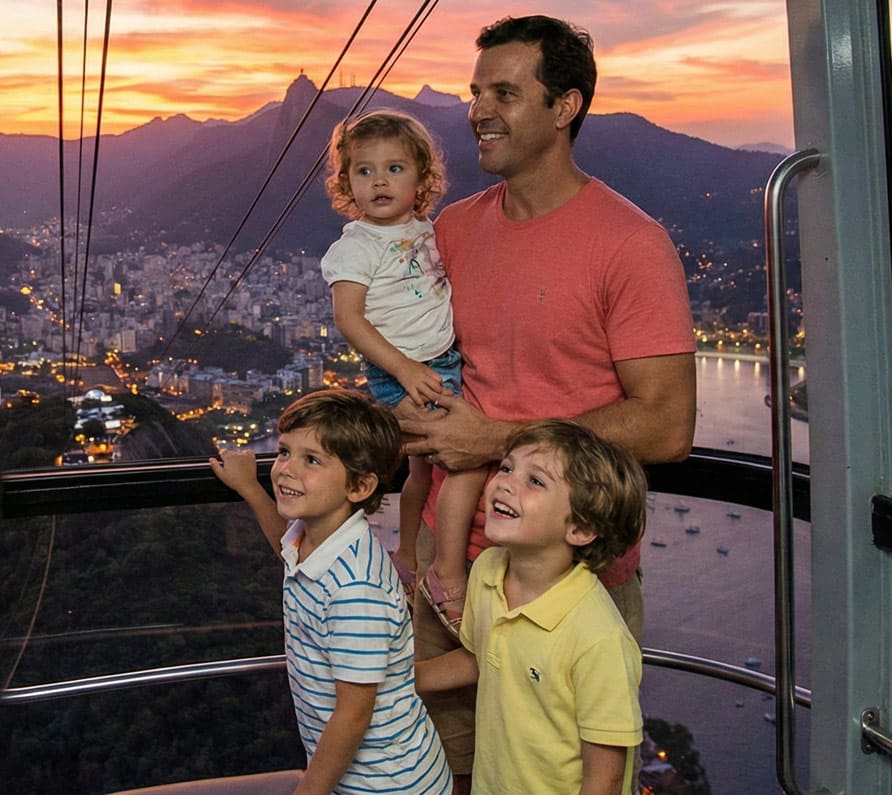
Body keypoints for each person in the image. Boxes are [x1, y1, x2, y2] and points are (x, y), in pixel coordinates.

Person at [395, 14, 697, 790]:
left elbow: (666, 422)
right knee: (444, 772)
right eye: (474, 92)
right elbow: (427, 369)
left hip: (573, 581)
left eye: (504, 91)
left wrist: (492, 440)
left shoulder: (630, 243)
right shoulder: (453, 231)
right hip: (450, 566)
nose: (477, 110)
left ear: (564, 108)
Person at [209, 388, 452, 794]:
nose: (286, 469)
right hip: (363, 776)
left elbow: (354, 714)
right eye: (285, 451)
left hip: (388, 784)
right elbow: (284, 548)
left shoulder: (356, 589)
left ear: (359, 487)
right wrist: (251, 488)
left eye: (312, 460)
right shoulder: (321, 539)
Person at [416, 420, 647, 794]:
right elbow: (479, 655)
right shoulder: (489, 570)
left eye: (535, 481)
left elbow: (604, 776)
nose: (504, 482)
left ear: (581, 529)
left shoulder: (597, 637)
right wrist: (399, 679)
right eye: (506, 467)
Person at [321, 109, 486, 635]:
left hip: (438, 363)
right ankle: (448, 574)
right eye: (364, 171)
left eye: (394, 168)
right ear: (347, 182)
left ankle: (408, 555)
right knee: (466, 463)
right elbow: (348, 318)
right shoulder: (355, 247)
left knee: (420, 473)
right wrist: (405, 369)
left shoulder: (427, 231)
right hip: (406, 372)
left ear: (421, 178)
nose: (379, 181)